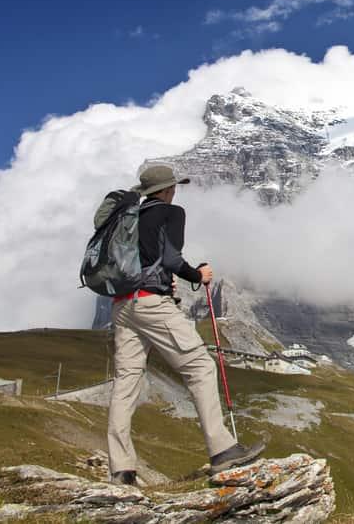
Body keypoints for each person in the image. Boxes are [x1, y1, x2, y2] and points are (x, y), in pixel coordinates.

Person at [107, 164, 263, 485]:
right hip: (152, 304)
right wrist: (198, 275)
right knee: (200, 367)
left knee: (126, 383)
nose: (176, 191)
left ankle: (121, 469)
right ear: (166, 189)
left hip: (122, 306)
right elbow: (171, 258)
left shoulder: (126, 218)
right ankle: (222, 449)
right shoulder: (171, 212)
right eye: (174, 187)